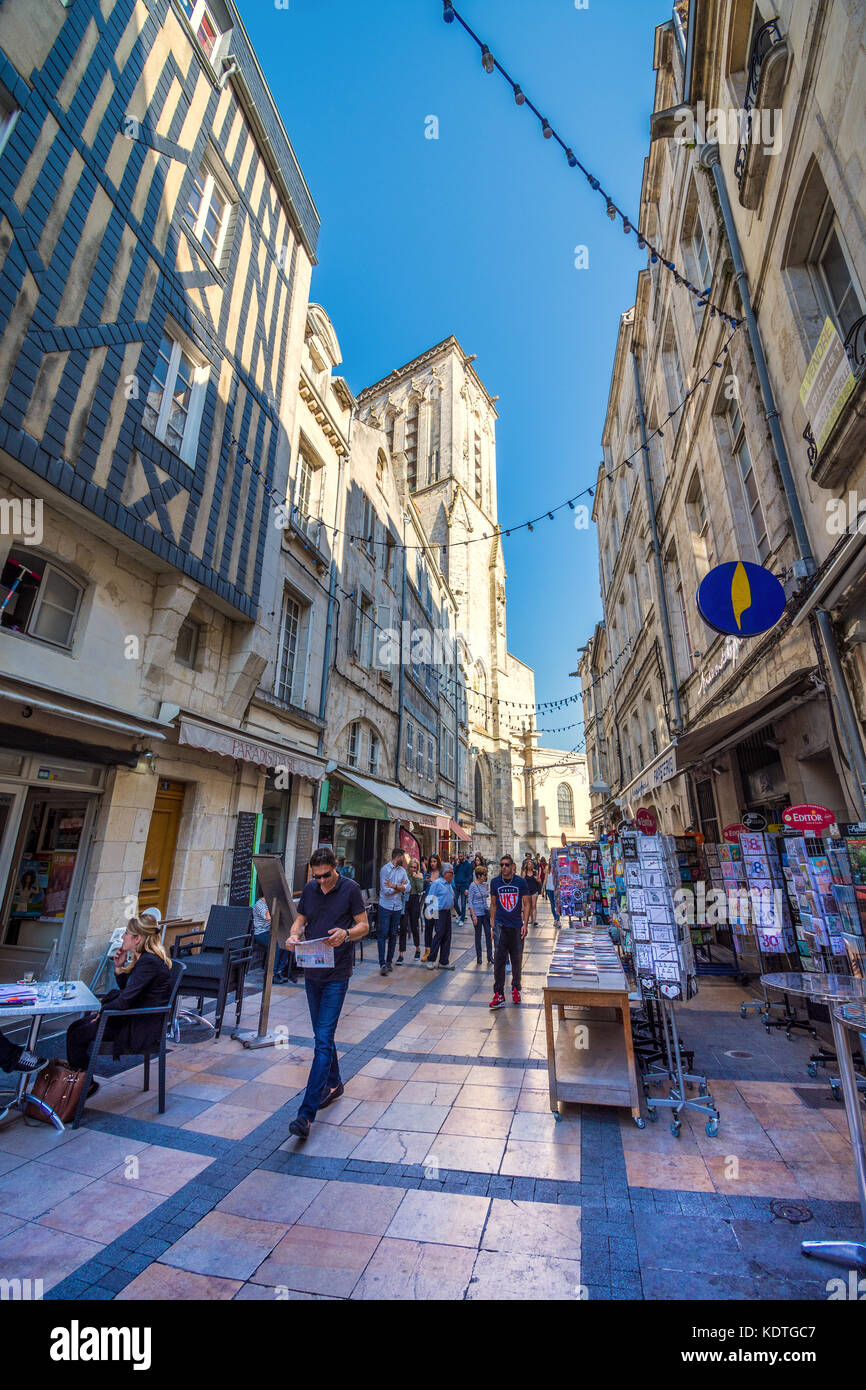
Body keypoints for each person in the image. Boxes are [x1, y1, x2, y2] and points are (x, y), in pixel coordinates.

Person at [285, 847, 369, 1140]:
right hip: (312, 971)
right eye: (317, 876)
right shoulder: (310, 888)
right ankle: (334, 1083)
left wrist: (346, 934)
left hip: (337, 973)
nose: (321, 881)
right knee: (324, 1035)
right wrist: (295, 934)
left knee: (321, 1041)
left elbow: (364, 925)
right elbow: (301, 919)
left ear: (337, 867)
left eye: (326, 875)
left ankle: (305, 1115)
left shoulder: (351, 889)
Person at [66, 916, 173, 1093]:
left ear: (137, 938)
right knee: (75, 1028)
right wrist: (119, 967)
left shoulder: (149, 962)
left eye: (126, 933)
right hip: (134, 1017)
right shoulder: (145, 959)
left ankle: (82, 1087)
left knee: (77, 1034)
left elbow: (125, 1000)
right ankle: (83, 1084)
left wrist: (103, 1012)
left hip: (139, 1026)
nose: (123, 937)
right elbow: (132, 991)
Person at [489, 854, 529, 1009]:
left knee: (516, 961)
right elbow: (493, 904)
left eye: (506, 865)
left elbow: (526, 904)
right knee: (498, 961)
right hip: (500, 926)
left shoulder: (520, 882)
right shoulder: (495, 882)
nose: (504, 867)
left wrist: (525, 924)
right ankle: (499, 993)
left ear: (512, 866)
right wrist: (492, 926)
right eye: (502, 865)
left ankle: (515, 988)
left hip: (516, 926)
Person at [377, 848, 409, 976]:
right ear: (398, 857)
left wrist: (395, 886)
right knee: (382, 934)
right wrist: (400, 887)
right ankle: (382, 963)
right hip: (385, 906)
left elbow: (408, 887)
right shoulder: (385, 870)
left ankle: (389, 961)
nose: (404, 860)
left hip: (397, 906)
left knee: (393, 934)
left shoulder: (402, 871)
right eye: (403, 857)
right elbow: (386, 891)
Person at [426, 863, 456, 970]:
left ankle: (444, 961)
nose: (453, 874)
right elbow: (430, 899)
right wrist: (431, 915)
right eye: (451, 872)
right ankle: (431, 959)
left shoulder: (449, 884)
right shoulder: (437, 883)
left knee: (447, 936)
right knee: (439, 935)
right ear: (445, 873)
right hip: (438, 912)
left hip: (447, 912)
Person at [397, 858, 424, 964]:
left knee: (414, 927)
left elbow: (420, 889)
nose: (412, 869)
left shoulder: (419, 875)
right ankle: (401, 954)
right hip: (405, 900)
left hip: (414, 900)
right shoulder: (405, 874)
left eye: (414, 867)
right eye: (411, 867)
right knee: (403, 927)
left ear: (417, 868)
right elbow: (401, 886)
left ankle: (417, 949)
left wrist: (416, 878)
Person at [467, 863, 493, 966]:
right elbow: (470, 901)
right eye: (484, 875)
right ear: (478, 875)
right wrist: (473, 916)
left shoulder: (484, 885)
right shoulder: (472, 886)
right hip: (477, 914)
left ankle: (490, 956)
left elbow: (487, 896)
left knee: (488, 935)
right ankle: (479, 957)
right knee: (478, 935)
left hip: (485, 912)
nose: (485, 877)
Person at [453, 852, 473, 925]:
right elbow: (453, 872)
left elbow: (469, 877)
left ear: (464, 856)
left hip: (464, 886)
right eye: (459, 856)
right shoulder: (456, 863)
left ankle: (462, 919)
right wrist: (457, 866)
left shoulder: (468, 865)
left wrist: (467, 888)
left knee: (463, 904)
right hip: (457, 885)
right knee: (454, 902)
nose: (460, 858)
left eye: (461, 856)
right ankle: (460, 914)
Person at [523, 859, 541, 926]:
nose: (530, 865)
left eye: (531, 864)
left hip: (534, 890)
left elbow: (539, 880)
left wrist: (538, 879)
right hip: (527, 891)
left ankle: (534, 920)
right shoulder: (524, 872)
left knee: (534, 906)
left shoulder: (535, 872)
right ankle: (530, 919)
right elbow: (522, 881)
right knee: (528, 906)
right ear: (527, 865)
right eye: (529, 864)